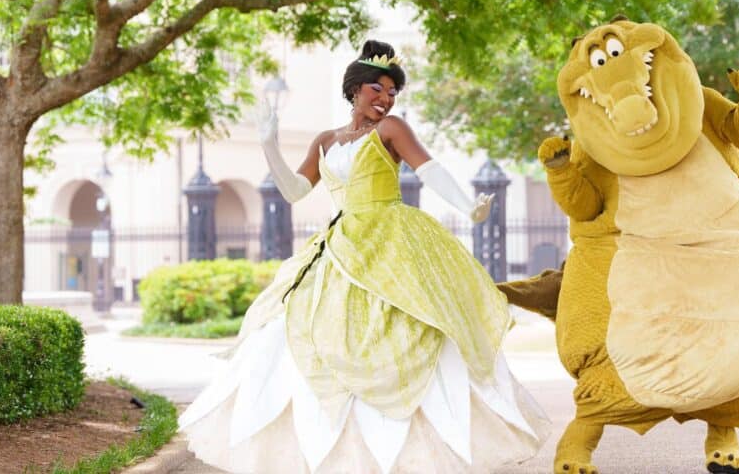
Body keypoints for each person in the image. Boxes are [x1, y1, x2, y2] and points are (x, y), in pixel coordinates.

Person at [178, 40, 549, 473]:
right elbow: (296, 191)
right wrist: (268, 145)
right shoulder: (325, 141)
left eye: (392, 92)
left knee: (410, 327)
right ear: (355, 89)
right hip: (339, 245)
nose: (386, 98)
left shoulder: (391, 130)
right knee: (288, 327)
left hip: (390, 239)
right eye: (378, 88)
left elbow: (429, 170)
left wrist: (467, 206)